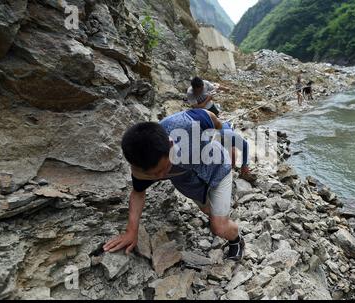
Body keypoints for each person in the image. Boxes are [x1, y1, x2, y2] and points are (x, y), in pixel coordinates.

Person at [103, 108, 249, 261]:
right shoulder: (141, 168)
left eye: (163, 169)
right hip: (192, 187)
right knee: (209, 211)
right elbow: (138, 193)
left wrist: (225, 140)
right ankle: (220, 216)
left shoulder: (188, 123)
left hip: (218, 169)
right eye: (153, 174)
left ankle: (236, 240)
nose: (160, 177)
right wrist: (131, 231)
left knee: (219, 227)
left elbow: (215, 120)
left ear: (171, 145)